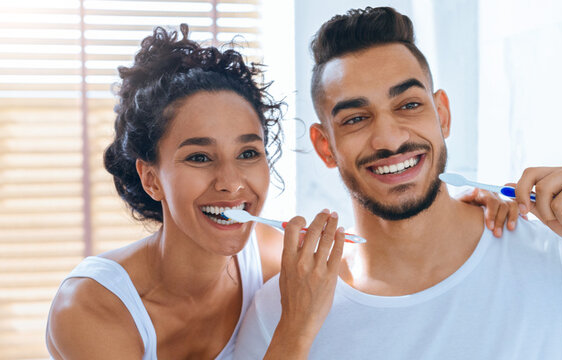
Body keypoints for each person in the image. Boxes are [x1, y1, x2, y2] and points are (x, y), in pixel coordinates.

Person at [234, 7, 562, 360]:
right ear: (325, 146)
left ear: (442, 115)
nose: (390, 137)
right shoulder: (288, 313)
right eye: (355, 118)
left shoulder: (544, 257)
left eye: (409, 105)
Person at [44, 24, 518, 359]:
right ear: (150, 178)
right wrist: (296, 326)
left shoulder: (272, 258)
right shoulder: (91, 310)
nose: (231, 182)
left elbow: (384, 249)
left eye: (248, 153)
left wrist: (457, 211)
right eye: (199, 157)